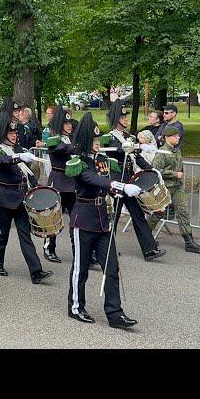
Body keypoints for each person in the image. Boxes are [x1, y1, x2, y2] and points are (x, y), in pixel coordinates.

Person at [64, 112, 139, 328]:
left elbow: (107, 180)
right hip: (84, 219)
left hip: (103, 220)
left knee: (111, 268)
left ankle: (115, 314)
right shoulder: (78, 162)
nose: (98, 145)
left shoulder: (103, 161)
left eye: (99, 141)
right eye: (94, 141)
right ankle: (76, 307)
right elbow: (91, 179)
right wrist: (119, 187)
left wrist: (117, 189)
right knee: (81, 268)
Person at [0, 111, 53, 284]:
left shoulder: (18, 149)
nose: (15, 136)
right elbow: (2, 160)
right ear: (3, 135)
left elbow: (28, 174)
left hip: (20, 197)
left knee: (25, 234)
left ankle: (36, 271)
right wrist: (18, 157)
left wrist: (37, 188)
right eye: (11, 133)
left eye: (16, 133)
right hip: (4, 197)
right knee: (2, 233)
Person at [106, 100, 166, 261]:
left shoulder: (128, 137)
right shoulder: (109, 137)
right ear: (116, 119)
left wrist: (150, 169)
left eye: (126, 118)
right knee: (114, 216)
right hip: (118, 182)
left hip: (130, 181)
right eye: (123, 118)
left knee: (138, 215)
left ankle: (149, 249)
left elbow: (136, 157)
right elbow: (117, 151)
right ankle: (103, 250)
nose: (125, 120)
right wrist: (130, 146)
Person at [148, 125, 200, 253]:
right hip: (165, 188)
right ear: (168, 137)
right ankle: (146, 236)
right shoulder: (162, 152)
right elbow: (156, 170)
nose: (178, 137)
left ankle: (189, 242)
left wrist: (179, 178)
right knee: (158, 213)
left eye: (178, 135)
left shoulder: (177, 151)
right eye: (176, 136)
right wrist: (174, 174)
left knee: (183, 212)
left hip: (177, 187)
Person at [43, 106, 77, 263]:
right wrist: (79, 147)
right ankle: (49, 247)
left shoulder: (70, 138)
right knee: (54, 218)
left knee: (77, 218)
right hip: (59, 181)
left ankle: (79, 249)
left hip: (72, 182)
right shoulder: (54, 139)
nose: (69, 126)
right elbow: (62, 149)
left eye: (70, 123)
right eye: (66, 123)